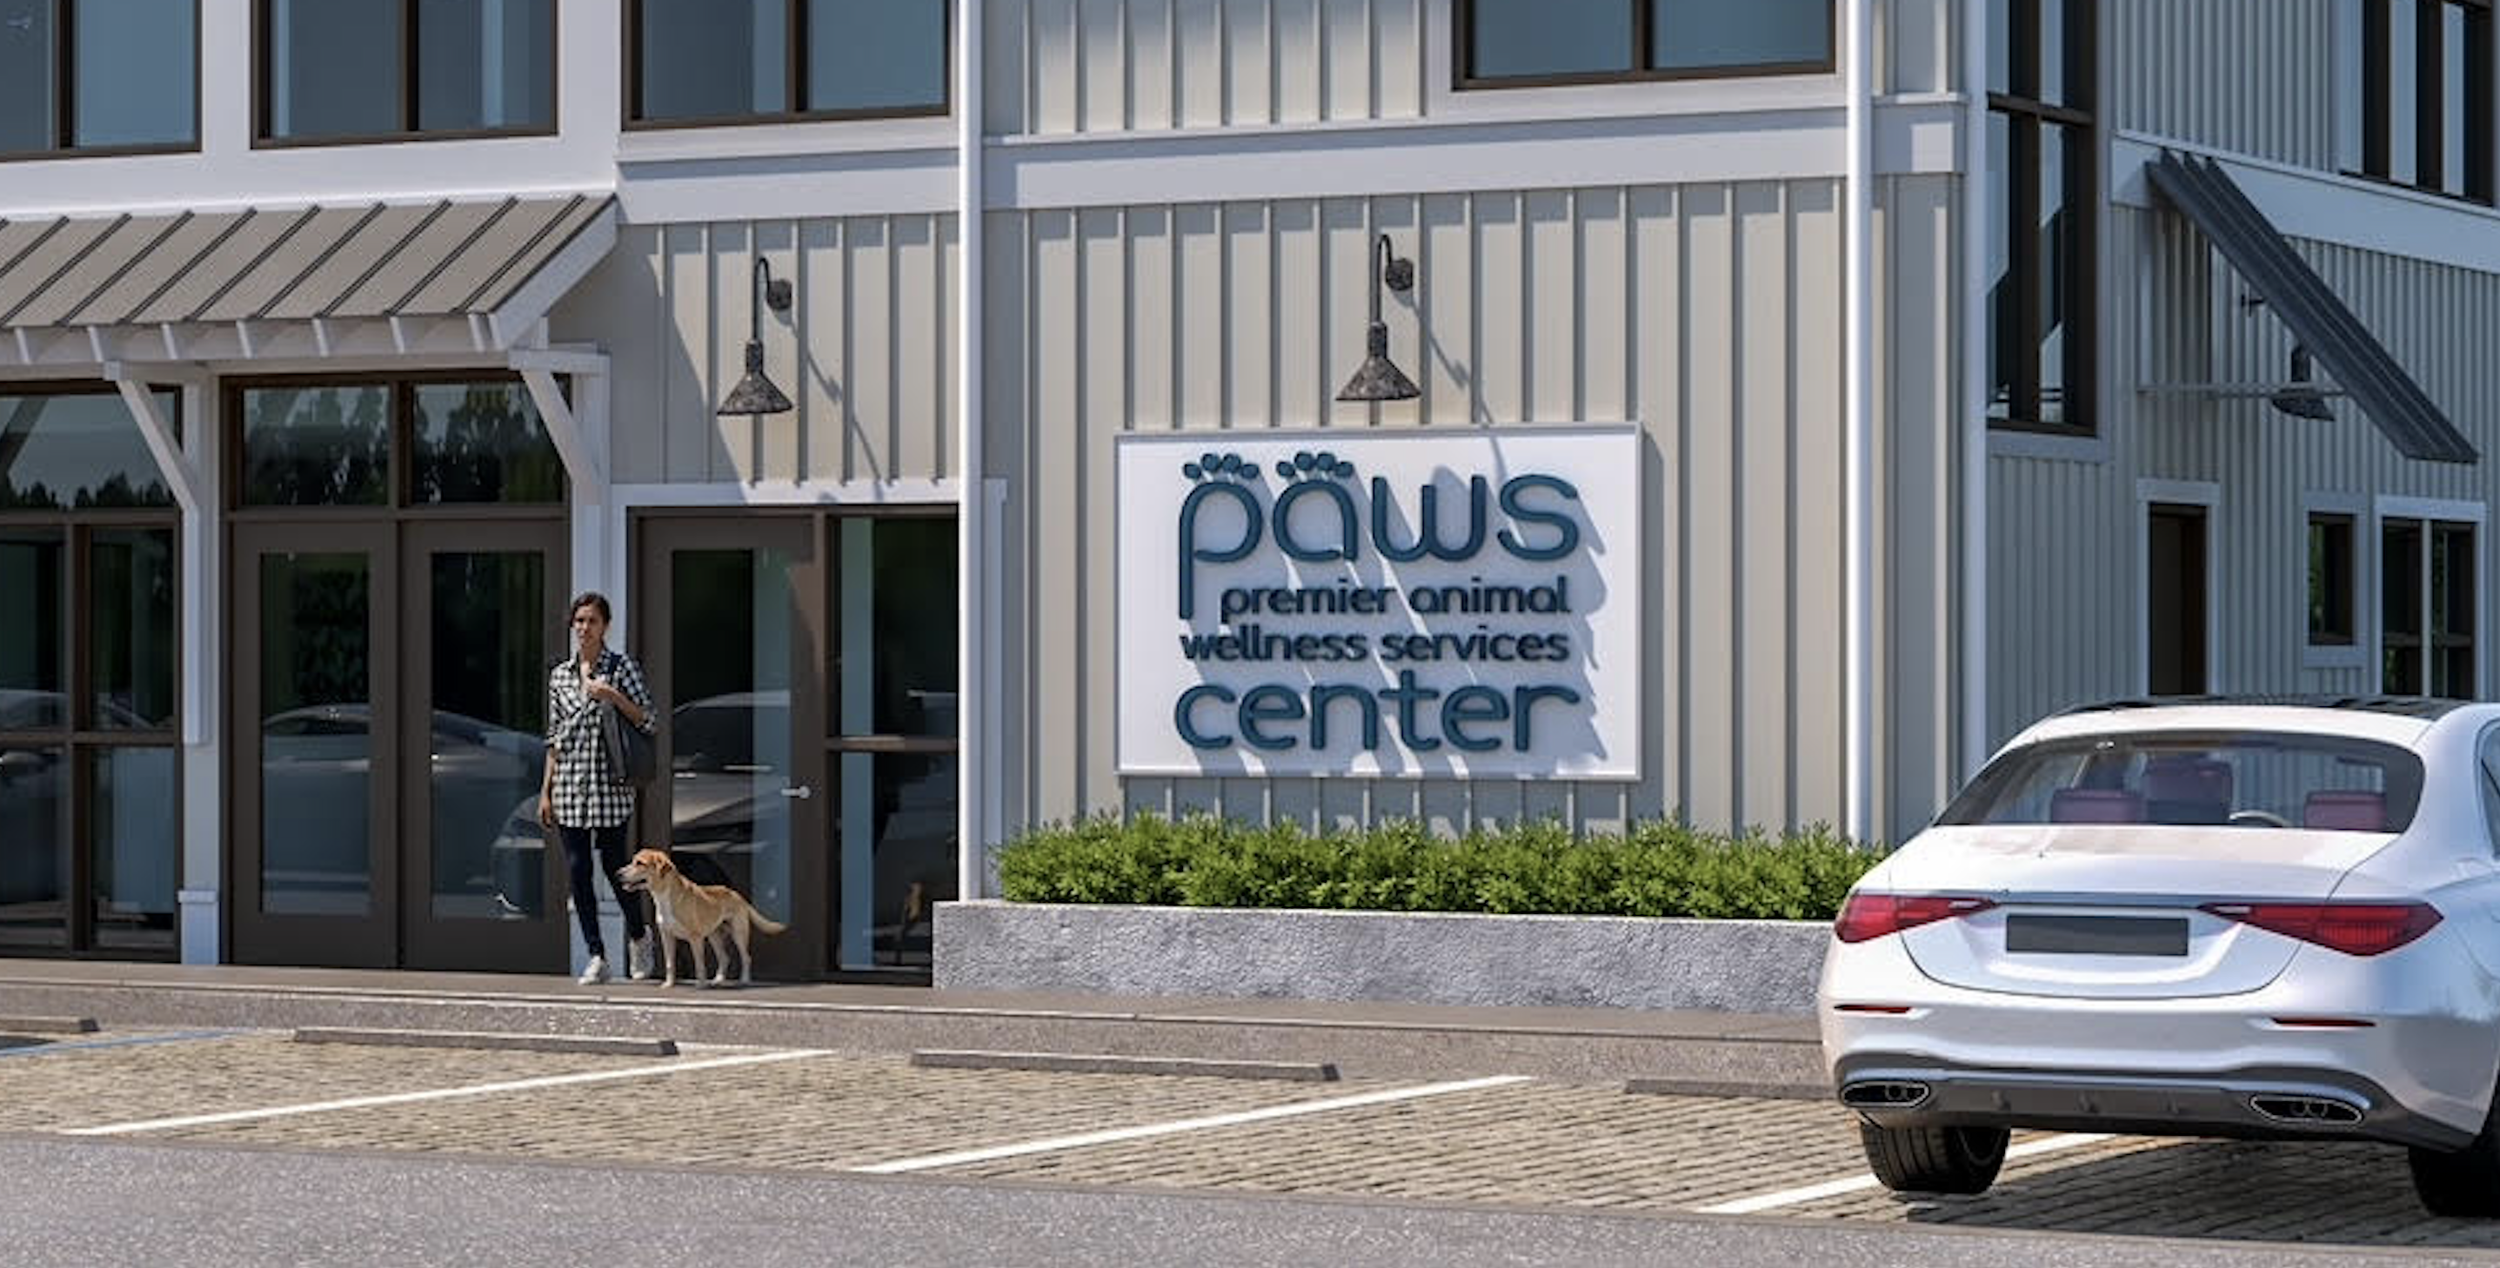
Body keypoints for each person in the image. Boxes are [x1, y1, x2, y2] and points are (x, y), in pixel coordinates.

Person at [540, 591, 658, 984]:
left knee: (614, 867)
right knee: (577, 870)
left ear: (606, 625)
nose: (584, 628)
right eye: (579, 621)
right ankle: (596, 954)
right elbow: (554, 738)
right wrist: (546, 790)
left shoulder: (621, 668)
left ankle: (639, 936)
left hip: (609, 785)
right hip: (571, 785)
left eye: (591, 621)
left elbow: (649, 721)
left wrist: (612, 696)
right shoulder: (560, 676)